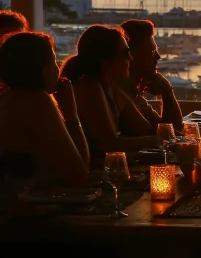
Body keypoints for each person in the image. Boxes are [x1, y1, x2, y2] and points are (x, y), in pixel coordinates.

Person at [0, 32, 88, 190]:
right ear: (40, 68)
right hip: (28, 210)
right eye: (54, 61)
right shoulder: (36, 101)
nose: (57, 69)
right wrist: (71, 114)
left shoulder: (7, 98)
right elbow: (78, 174)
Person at [59, 25, 158, 159]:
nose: (130, 58)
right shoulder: (88, 88)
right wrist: (161, 140)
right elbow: (110, 145)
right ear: (104, 62)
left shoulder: (112, 88)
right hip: (93, 173)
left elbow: (146, 130)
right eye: (125, 53)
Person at [120, 19, 183, 132]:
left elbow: (170, 129)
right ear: (131, 56)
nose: (158, 57)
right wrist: (167, 91)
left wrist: (167, 91)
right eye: (152, 52)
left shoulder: (133, 93)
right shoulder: (121, 93)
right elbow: (169, 134)